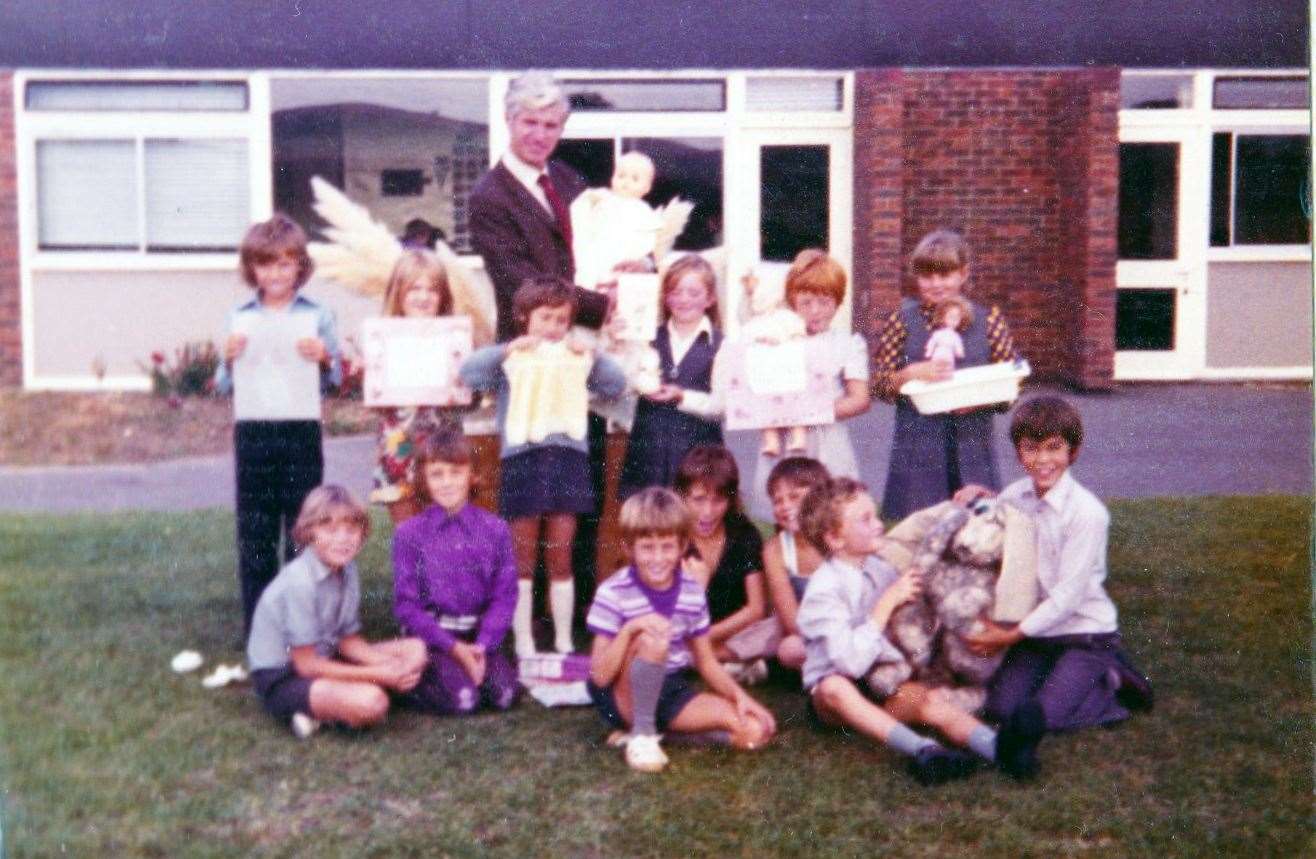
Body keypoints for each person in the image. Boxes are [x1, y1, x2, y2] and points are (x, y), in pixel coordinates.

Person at [795, 477, 1044, 783]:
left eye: (875, 514)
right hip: (838, 698)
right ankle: (924, 751)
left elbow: (922, 538)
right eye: (866, 519)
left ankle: (1001, 749)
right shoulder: (824, 589)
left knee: (927, 700)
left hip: (882, 683)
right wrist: (885, 604)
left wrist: (968, 506)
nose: (878, 524)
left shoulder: (877, 566)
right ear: (834, 539)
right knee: (834, 687)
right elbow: (850, 662)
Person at [957, 396, 1154, 742]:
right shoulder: (1016, 495)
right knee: (1001, 709)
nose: (1043, 460)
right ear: (1019, 453)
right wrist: (980, 499)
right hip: (1039, 634)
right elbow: (995, 517)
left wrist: (1010, 635)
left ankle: (1111, 679)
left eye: (1054, 448)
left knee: (1043, 717)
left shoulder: (1086, 514)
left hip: (1083, 633)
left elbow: (1068, 598)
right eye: (1031, 449)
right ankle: (1065, 676)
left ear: (1072, 452)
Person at [459, 278, 626, 657]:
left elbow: (615, 384)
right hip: (522, 460)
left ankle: (565, 638)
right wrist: (505, 350)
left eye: (561, 320)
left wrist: (594, 355)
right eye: (544, 318)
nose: (552, 327)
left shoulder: (575, 355)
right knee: (523, 557)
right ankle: (525, 642)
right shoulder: (511, 358)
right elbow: (469, 372)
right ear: (524, 318)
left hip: (568, 460)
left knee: (561, 553)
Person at [586, 487, 777, 772]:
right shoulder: (613, 591)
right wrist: (629, 631)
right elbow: (599, 677)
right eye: (647, 548)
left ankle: (658, 734)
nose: (658, 558)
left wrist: (743, 699)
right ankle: (642, 735)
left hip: (669, 688)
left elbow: (706, 661)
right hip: (619, 693)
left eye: (667, 546)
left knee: (753, 730)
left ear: (682, 545)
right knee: (654, 639)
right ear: (629, 547)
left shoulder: (691, 592)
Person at [215, 214, 341, 634]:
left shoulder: (317, 314)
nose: (275, 273)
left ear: (300, 267)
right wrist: (228, 357)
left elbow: (336, 379)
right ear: (251, 268)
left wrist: (324, 357)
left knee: (302, 529)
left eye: (284, 264)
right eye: (265, 264)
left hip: (300, 429)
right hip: (253, 429)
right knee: (255, 531)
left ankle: (300, 624)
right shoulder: (239, 315)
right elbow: (221, 383)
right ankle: (259, 626)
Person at [247, 485, 427, 738]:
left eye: (351, 529)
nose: (342, 539)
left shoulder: (348, 569)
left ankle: (336, 701)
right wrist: (378, 673)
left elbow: (347, 639)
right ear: (309, 532)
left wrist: (388, 665)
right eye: (330, 530)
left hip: (325, 656)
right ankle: (315, 710)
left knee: (415, 650)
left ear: (362, 532)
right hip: (285, 675)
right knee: (373, 702)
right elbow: (306, 665)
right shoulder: (299, 581)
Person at [872, 229, 1019, 521]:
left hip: (973, 442)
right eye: (927, 276)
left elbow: (1011, 382)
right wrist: (910, 373)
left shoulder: (988, 319)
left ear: (963, 274)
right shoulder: (902, 319)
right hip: (918, 443)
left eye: (945, 275)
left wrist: (981, 400)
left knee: (979, 527)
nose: (936, 284)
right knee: (919, 527)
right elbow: (879, 384)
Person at [468, 71, 611, 343]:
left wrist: (633, 267)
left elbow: (603, 241)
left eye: (550, 125)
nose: (539, 135)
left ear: (561, 129)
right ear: (508, 121)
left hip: (588, 344)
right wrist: (603, 306)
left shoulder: (570, 179)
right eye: (530, 122)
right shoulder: (488, 197)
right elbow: (524, 285)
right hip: (529, 353)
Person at [392, 429, 521, 716]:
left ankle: (472, 670)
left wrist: (483, 646)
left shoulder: (495, 529)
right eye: (437, 474)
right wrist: (453, 648)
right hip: (434, 639)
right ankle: (403, 684)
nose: (447, 482)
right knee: (464, 700)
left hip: (477, 637)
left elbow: (505, 596)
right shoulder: (409, 534)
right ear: (424, 479)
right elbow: (406, 606)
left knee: (505, 696)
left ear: (472, 475)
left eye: (456, 472)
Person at [745, 249, 871, 521]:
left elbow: (859, 398)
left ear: (838, 302)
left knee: (829, 511)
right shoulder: (779, 335)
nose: (815, 311)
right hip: (784, 436)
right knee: (787, 505)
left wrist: (814, 410)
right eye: (806, 303)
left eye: (824, 303)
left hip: (826, 436)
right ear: (792, 301)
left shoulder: (848, 343)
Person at [368, 248, 465, 524]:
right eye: (414, 289)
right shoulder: (381, 338)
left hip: (443, 444)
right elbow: (369, 396)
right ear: (398, 294)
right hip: (398, 448)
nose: (423, 297)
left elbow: (469, 398)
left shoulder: (455, 338)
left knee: (445, 534)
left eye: (432, 290)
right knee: (408, 534)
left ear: (443, 296)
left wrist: (465, 372)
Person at [618, 254, 724, 500]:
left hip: (699, 454)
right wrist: (617, 343)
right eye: (675, 292)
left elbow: (722, 405)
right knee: (649, 524)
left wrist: (682, 396)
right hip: (648, 453)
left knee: (693, 521)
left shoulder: (721, 344)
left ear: (710, 299)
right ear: (665, 297)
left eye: (694, 293)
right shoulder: (646, 338)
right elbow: (622, 384)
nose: (683, 299)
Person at [672, 445, 768, 682]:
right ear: (682, 496)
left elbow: (755, 610)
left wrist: (707, 637)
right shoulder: (669, 535)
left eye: (718, 501)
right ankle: (727, 664)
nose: (708, 512)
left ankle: (705, 659)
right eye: (699, 499)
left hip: (734, 634)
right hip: (682, 632)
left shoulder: (744, 534)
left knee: (776, 633)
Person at [761, 456, 831, 670]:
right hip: (808, 633)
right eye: (777, 500)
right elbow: (793, 621)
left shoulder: (838, 534)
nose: (785, 506)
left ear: (821, 496)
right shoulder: (775, 549)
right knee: (789, 649)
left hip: (850, 625)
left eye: (794, 496)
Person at [924, 296, 971, 371]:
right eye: (950, 317)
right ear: (943, 317)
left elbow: (958, 345)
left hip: (949, 354)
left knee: (948, 367)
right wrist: (929, 352)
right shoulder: (938, 333)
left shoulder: (955, 336)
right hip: (939, 352)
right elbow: (932, 342)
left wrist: (959, 353)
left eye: (956, 318)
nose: (953, 320)